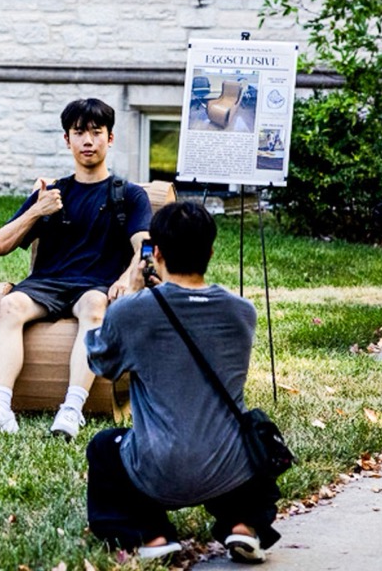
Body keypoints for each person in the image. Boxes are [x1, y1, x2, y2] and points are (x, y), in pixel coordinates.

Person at [84, 201, 280, 563]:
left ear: (155, 253)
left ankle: (152, 537)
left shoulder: (133, 311)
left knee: (103, 447)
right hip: (230, 467)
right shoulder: (242, 312)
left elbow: (101, 362)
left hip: (159, 469)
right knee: (258, 432)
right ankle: (244, 526)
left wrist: (131, 296)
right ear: (210, 251)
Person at [0, 98, 151, 441]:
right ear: (67, 140)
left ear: (111, 139)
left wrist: (127, 277)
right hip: (47, 284)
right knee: (9, 305)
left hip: (96, 285)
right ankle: (0, 408)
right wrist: (37, 210)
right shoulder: (51, 193)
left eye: (96, 132)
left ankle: (72, 409)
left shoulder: (129, 195)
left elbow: (146, 246)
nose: (88, 141)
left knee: (94, 305)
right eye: (79, 133)